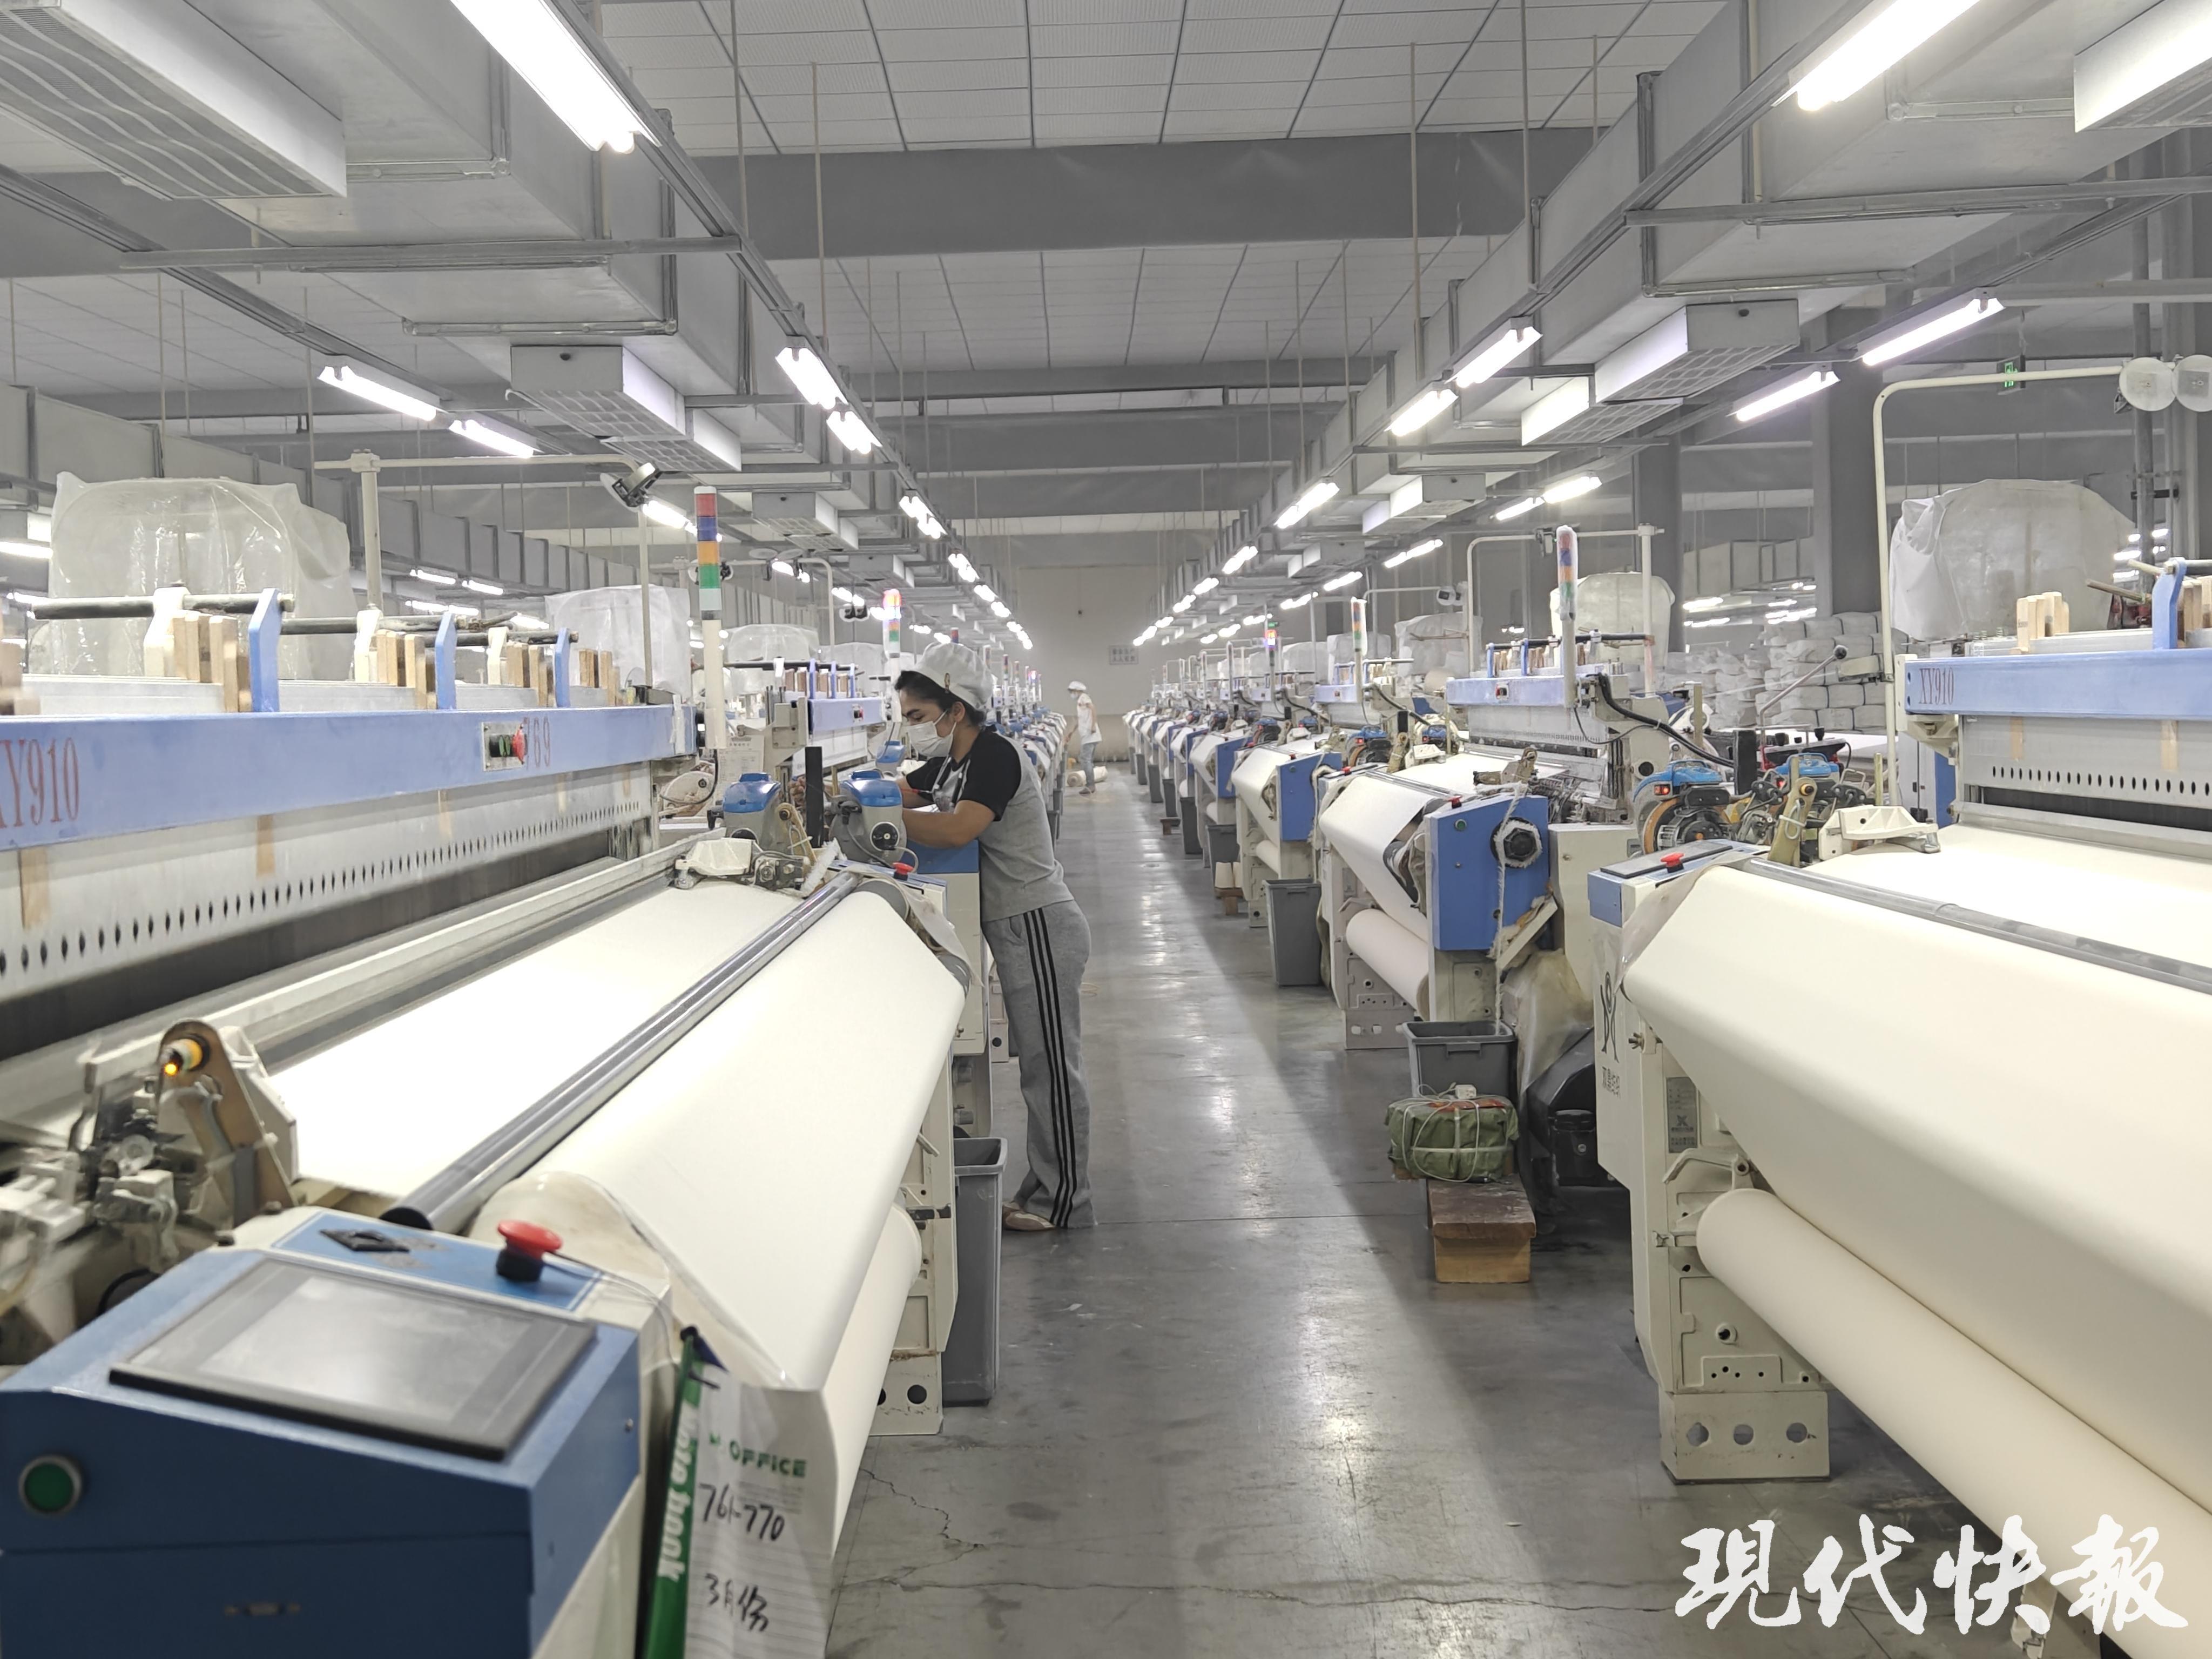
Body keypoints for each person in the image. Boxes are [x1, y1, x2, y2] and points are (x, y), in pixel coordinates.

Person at [897, 642, 1095, 1232]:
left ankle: (1065, 1202)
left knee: (1050, 1068)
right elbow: (906, 792)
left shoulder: (994, 756)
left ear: (955, 710)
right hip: (1014, 927)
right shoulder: (954, 762)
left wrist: (879, 818)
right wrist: (842, 795)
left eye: (917, 716)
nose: (911, 728)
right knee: (1038, 1066)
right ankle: (1042, 1189)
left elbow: (958, 829)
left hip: (1038, 923)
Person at [1069, 680, 1100, 796]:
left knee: (1085, 760)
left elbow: (1093, 709)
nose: (1072, 694)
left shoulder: (1084, 697)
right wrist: (1071, 733)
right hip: (1088, 735)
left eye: (1072, 691)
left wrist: (1093, 726)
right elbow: (1080, 720)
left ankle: (1090, 785)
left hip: (1090, 735)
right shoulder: (1080, 702)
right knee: (1087, 760)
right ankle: (1090, 783)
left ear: (1077, 691)